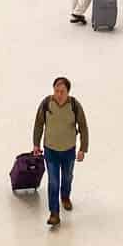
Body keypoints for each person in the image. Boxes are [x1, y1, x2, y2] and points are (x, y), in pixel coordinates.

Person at [31, 77, 89, 228]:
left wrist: (83, 148)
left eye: (62, 92)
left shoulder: (74, 105)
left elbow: (83, 127)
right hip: (51, 151)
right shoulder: (46, 104)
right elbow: (38, 124)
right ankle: (54, 214)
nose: (59, 94)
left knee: (67, 177)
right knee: (53, 182)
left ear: (68, 92)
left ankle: (65, 196)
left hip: (69, 150)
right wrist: (36, 144)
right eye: (56, 91)